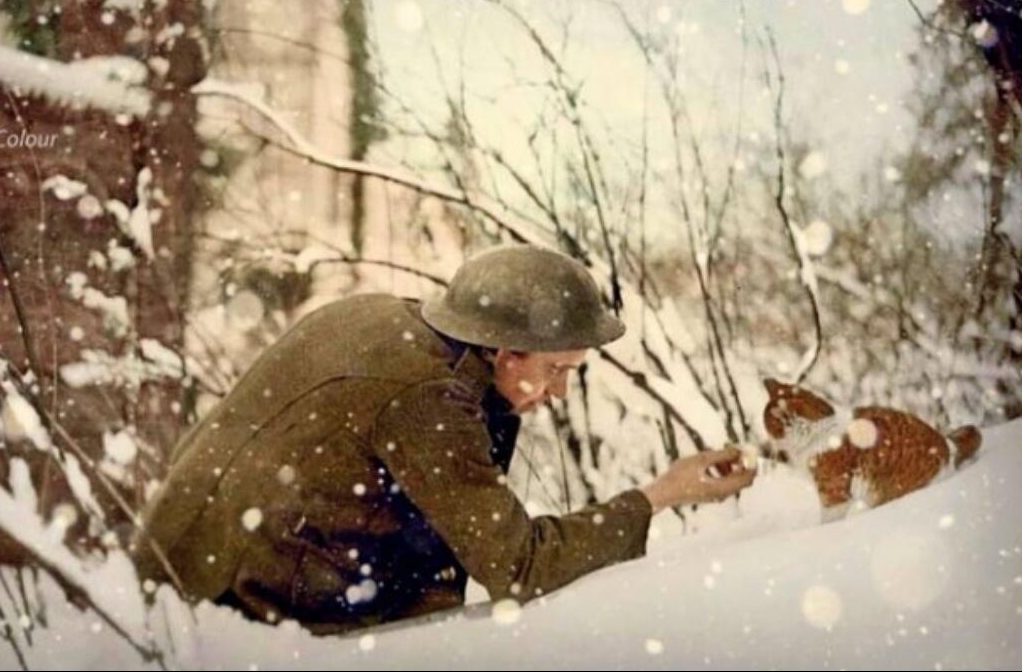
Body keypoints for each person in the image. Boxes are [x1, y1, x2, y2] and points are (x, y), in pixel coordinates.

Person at [132, 245, 755, 634]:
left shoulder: (393, 320)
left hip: (181, 566)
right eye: (557, 370)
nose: (560, 392)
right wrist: (658, 496)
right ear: (506, 351)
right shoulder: (427, 398)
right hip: (229, 617)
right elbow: (521, 566)